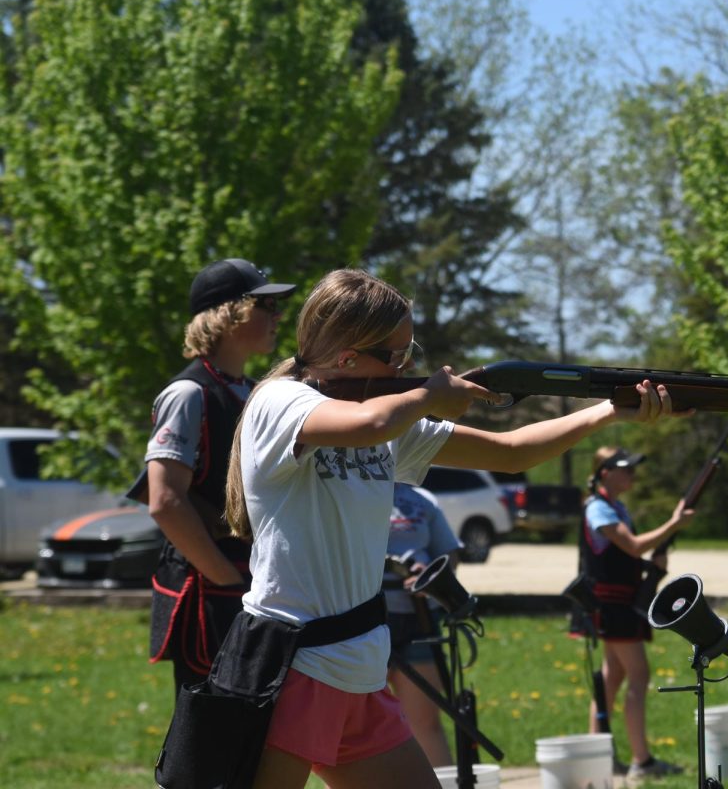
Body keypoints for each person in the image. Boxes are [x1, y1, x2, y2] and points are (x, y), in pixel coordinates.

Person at [222, 268, 686, 788]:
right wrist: (426, 397)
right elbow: (370, 424)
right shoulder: (280, 402)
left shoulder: (391, 419)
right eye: (394, 355)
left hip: (359, 667)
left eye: (409, 349)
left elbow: (512, 453)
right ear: (346, 357)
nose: (406, 365)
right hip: (292, 667)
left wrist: (607, 413)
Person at [135, 258, 294, 694]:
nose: (278, 316)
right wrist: (225, 577)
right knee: (212, 736)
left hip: (249, 584)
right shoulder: (189, 394)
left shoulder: (254, 391)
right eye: (265, 305)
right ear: (229, 314)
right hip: (213, 590)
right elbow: (165, 501)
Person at [581, 445, 694, 781]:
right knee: (638, 675)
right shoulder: (599, 510)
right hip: (613, 605)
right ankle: (641, 762)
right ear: (605, 473)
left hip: (618, 603)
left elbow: (627, 555)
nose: (631, 474)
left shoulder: (615, 507)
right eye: (625, 469)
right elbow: (631, 545)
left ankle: (596, 756)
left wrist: (650, 566)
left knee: (612, 679)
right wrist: (673, 524)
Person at [383, 482, 459, 766]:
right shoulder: (352, 490)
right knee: (356, 731)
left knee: (426, 722)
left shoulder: (424, 499)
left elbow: (449, 554)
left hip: (420, 619)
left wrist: (430, 577)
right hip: (369, 622)